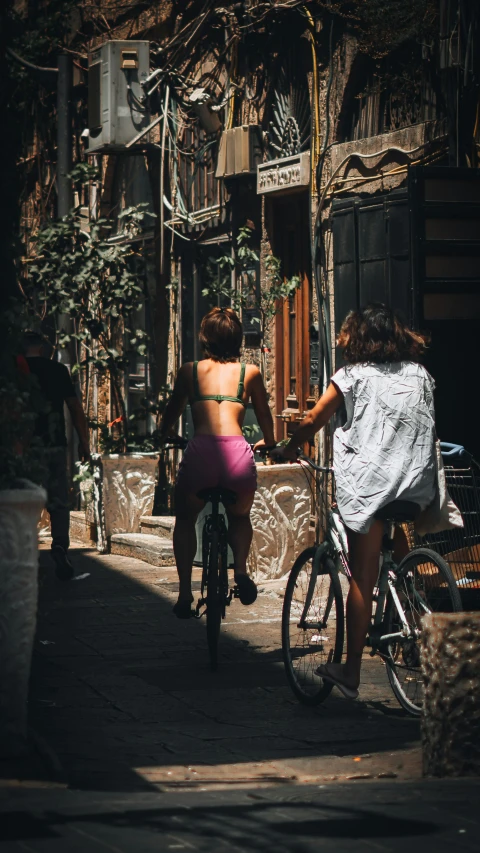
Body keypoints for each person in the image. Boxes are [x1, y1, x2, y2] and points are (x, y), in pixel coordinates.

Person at [275, 304, 436, 699]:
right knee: (395, 553)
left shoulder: (351, 377)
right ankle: (407, 599)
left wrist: (287, 446)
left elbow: (312, 419)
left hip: (371, 487)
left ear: (356, 338)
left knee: (362, 578)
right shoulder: (421, 374)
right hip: (415, 486)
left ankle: (349, 672)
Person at [159, 307, 276, 618]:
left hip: (200, 456)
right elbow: (264, 415)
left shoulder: (189, 372)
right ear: (238, 339)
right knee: (239, 515)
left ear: (204, 339)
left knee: (184, 518)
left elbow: (170, 414)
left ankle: (185, 593)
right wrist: (271, 441)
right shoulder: (249, 373)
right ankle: (239, 571)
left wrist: (165, 433)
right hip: (237, 456)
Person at [23, 331, 91, 580]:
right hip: (54, 443)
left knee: (23, 498)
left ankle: (22, 551)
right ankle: (60, 546)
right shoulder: (57, 370)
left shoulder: (15, 371)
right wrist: (84, 442)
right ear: (42, 346)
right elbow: (74, 407)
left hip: (24, 446)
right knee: (59, 501)